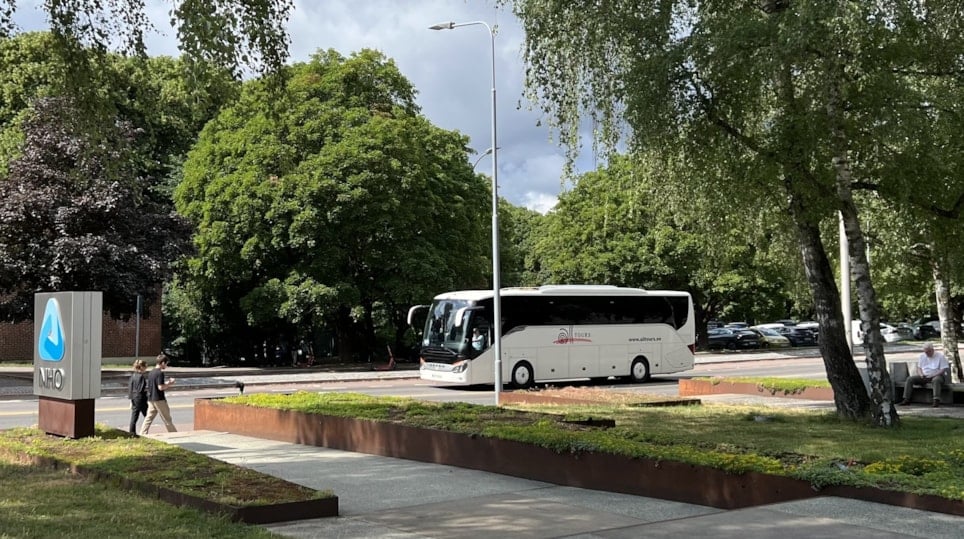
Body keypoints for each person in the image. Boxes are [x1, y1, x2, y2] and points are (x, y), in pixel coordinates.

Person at [899, 343, 951, 407]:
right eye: (925, 352)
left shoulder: (940, 356)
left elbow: (942, 369)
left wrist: (932, 375)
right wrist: (921, 374)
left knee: (936, 380)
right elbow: (919, 368)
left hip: (937, 375)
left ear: (932, 350)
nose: (927, 353)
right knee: (910, 379)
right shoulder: (922, 356)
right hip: (925, 375)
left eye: (928, 352)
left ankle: (936, 400)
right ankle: (906, 399)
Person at [141, 353, 177, 434]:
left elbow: (154, 385)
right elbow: (160, 387)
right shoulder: (160, 373)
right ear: (163, 363)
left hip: (151, 399)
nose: (166, 366)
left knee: (148, 418)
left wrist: (166, 383)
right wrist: (169, 384)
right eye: (166, 364)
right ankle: (174, 433)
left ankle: (142, 433)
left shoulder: (151, 372)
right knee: (167, 418)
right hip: (159, 399)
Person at [127, 359, 148, 435]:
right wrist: (146, 393)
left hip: (134, 398)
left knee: (134, 416)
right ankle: (144, 431)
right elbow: (141, 389)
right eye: (145, 367)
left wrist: (131, 399)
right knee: (148, 416)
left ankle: (132, 432)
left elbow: (130, 388)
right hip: (140, 398)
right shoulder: (141, 377)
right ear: (141, 367)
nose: (146, 369)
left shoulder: (133, 376)